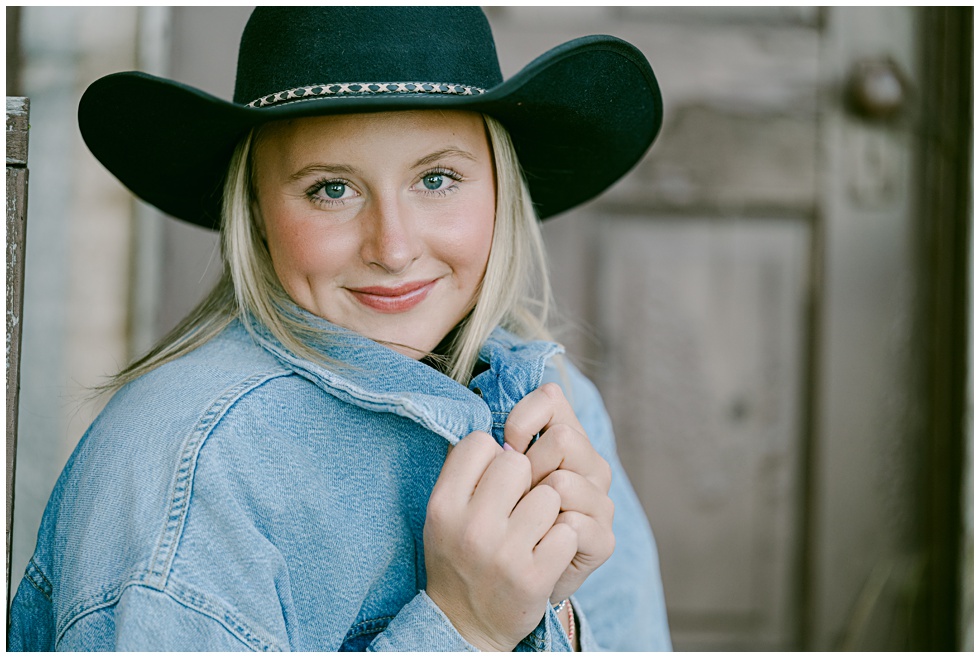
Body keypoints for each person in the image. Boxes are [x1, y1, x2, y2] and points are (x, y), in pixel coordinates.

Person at [8, 7, 670, 652]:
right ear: (258, 212)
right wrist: (467, 628)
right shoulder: (191, 476)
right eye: (331, 190)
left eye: (437, 179)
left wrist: (560, 622)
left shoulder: (555, 406)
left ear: (501, 190)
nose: (394, 247)